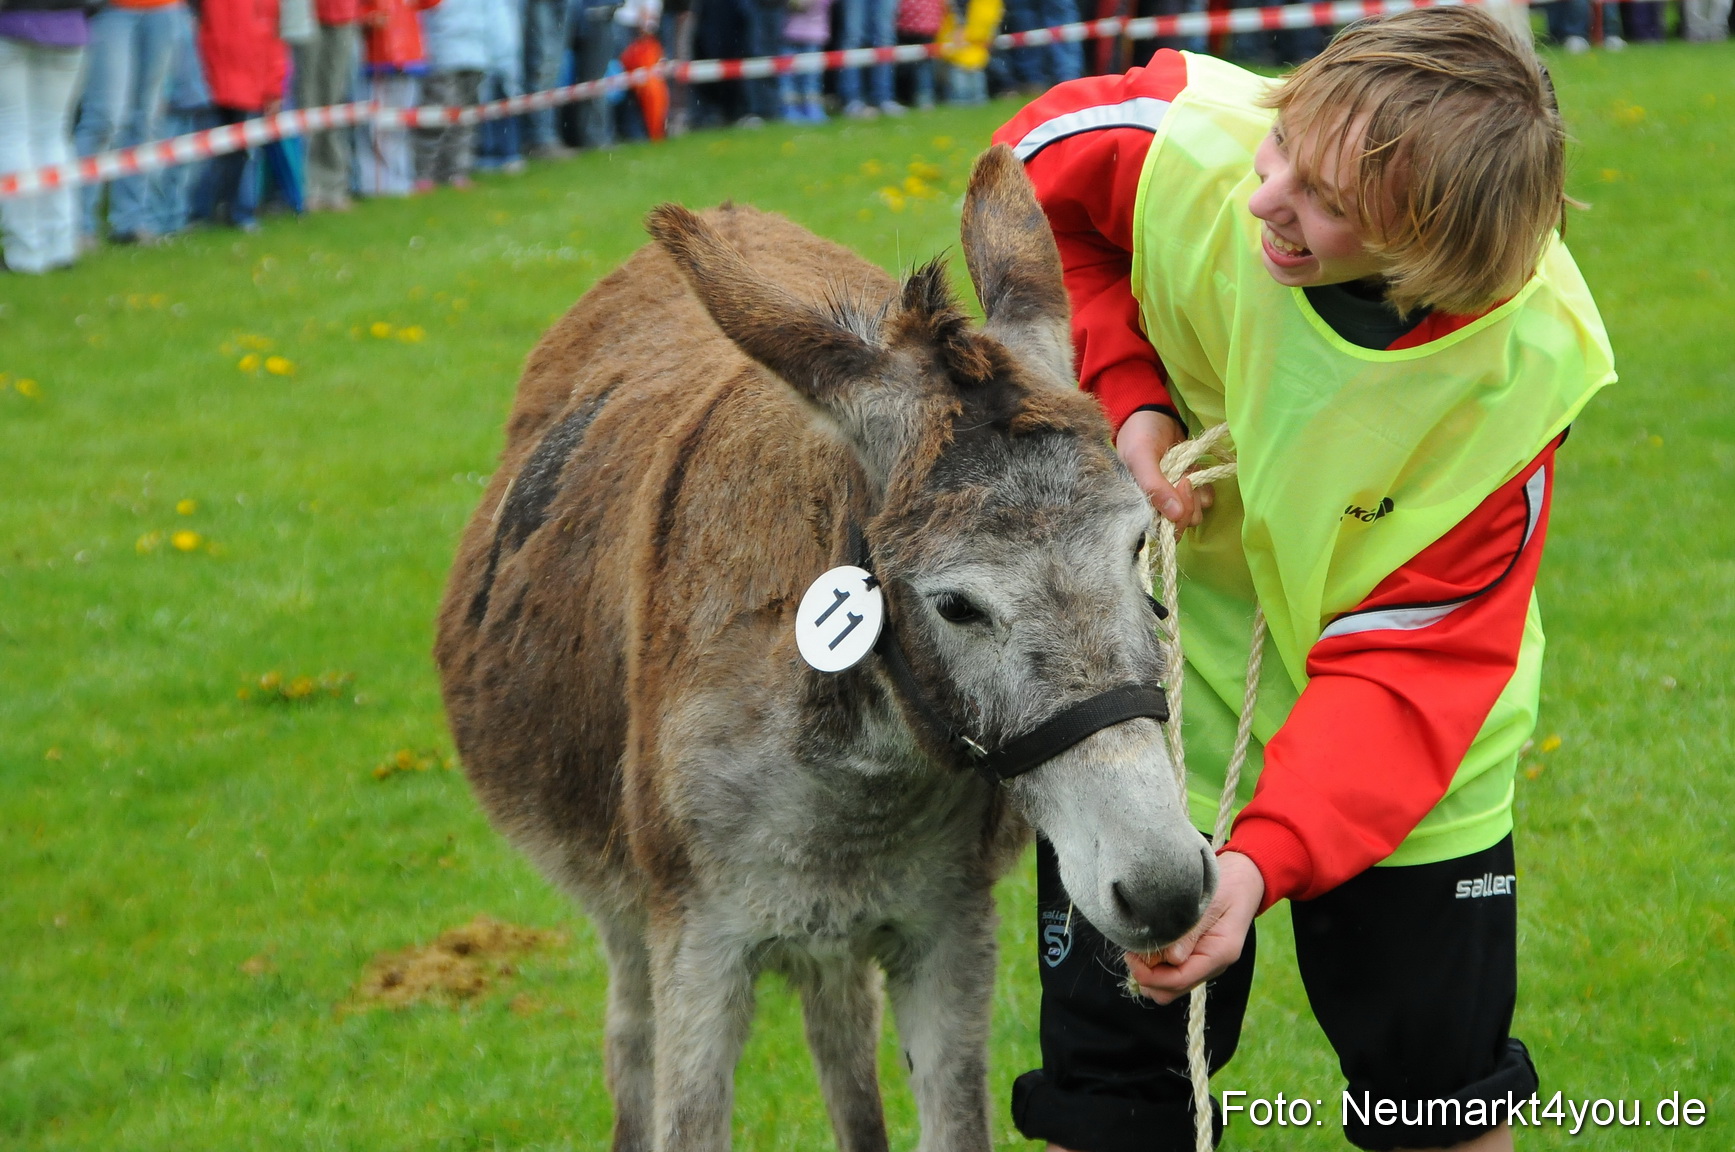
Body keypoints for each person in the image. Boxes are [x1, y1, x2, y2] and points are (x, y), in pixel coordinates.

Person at [990, 9, 1615, 1152]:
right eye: (1286, 147)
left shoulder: (1519, 378)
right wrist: (1129, 388)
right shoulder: (1190, 146)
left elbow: (1411, 664)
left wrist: (1260, 862)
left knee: (1437, 1105)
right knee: (1114, 1103)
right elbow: (1023, 202)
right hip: (1159, 700)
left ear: (1426, 254)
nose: (1267, 198)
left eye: (1327, 203)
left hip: (1406, 764)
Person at [75, 0, 187, 244]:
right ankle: (79, 225)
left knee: (145, 119)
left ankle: (130, 222)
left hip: (163, 9)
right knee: (104, 119)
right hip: (111, 10)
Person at [0, 0, 90, 272]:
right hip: (69, 26)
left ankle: (25, 251)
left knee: (13, 130)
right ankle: (60, 246)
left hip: (12, 24)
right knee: (54, 133)